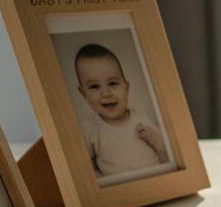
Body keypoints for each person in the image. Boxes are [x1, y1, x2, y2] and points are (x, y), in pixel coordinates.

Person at [72, 43, 168, 178]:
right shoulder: (89, 129)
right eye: (94, 86)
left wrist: (153, 138)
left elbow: (165, 152)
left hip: (156, 180)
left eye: (112, 83)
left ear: (126, 88)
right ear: (83, 94)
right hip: (122, 191)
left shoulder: (140, 119)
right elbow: (87, 169)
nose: (106, 93)